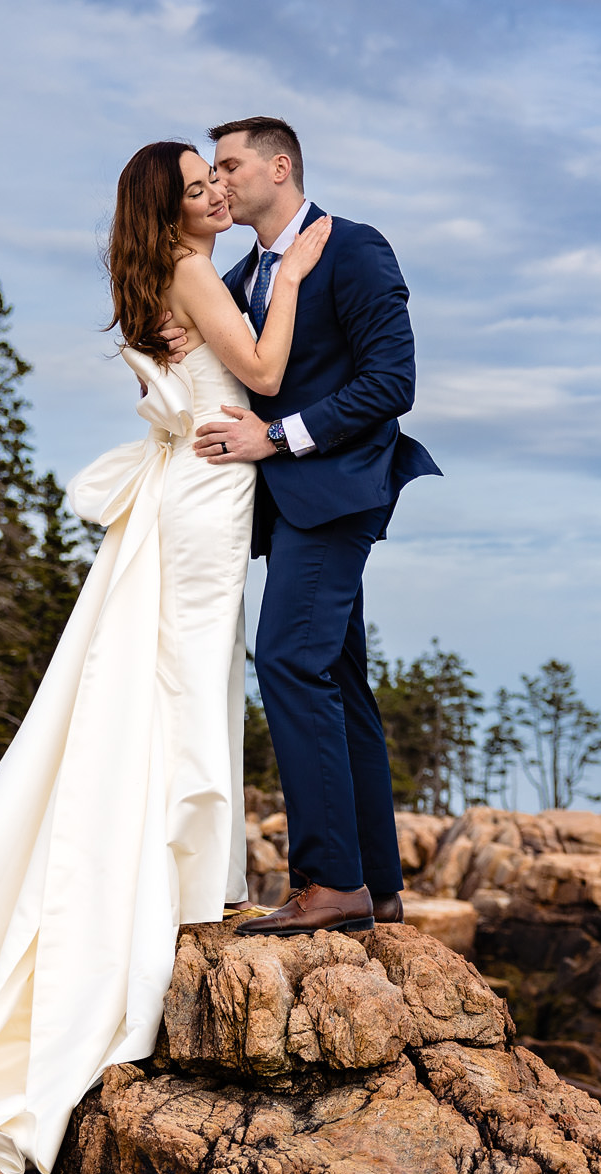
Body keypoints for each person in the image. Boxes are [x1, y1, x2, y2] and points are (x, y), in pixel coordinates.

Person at [0, 139, 336, 1174]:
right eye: (196, 188)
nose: (214, 194)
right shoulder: (197, 270)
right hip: (203, 494)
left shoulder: (164, 270)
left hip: (196, 488)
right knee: (191, 669)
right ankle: (185, 868)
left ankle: (189, 860)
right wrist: (297, 279)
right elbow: (267, 372)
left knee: (185, 668)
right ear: (171, 210)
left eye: (215, 179)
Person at [190, 116, 440, 937]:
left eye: (229, 166)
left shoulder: (355, 248)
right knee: (339, 681)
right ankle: (378, 883)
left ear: (280, 166)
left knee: (290, 661)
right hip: (289, 502)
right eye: (212, 172)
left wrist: (275, 436)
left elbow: (391, 381)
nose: (219, 183)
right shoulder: (237, 275)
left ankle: (330, 882)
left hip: (340, 488)